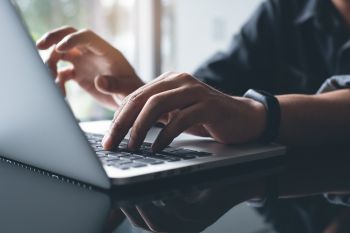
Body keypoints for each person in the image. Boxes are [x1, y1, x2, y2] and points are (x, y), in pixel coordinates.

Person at [36, 0, 350, 152]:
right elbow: (209, 96)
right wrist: (138, 92)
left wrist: (256, 114)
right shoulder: (284, 9)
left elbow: (234, 111)